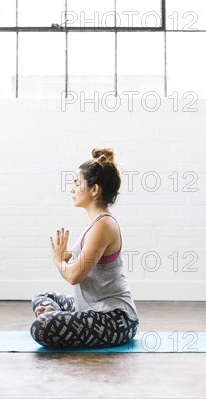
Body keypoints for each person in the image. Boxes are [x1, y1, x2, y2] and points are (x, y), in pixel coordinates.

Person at [30, 147, 140, 349]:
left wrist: (58, 259)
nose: (72, 188)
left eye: (77, 183)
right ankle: (59, 315)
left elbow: (73, 276)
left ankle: (57, 317)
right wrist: (65, 257)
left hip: (116, 319)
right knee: (44, 297)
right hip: (90, 309)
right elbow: (76, 262)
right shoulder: (95, 225)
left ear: (95, 190)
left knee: (40, 328)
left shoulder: (104, 226)